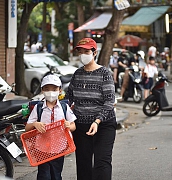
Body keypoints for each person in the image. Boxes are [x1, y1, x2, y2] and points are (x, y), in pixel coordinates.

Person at [66, 37, 116, 180]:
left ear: (94, 52)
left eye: (86, 51)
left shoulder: (104, 73)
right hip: (81, 126)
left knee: (102, 163)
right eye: (80, 51)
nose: (83, 54)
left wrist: (97, 121)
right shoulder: (77, 74)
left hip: (103, 125)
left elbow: (109, 101)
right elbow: (70, 97)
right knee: (83, 164)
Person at [25, 74, 76, 180]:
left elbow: (73, 125)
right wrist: (35, 124)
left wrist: (69, 125)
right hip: (42, 149)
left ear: (60, 90)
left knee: (56, 175)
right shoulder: (38, 108)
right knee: (44, 176)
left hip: (59, 149)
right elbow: (27, 128)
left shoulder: (64, 107)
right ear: (42, 90)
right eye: (47, 89)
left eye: (54, 89)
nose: (51, 92)